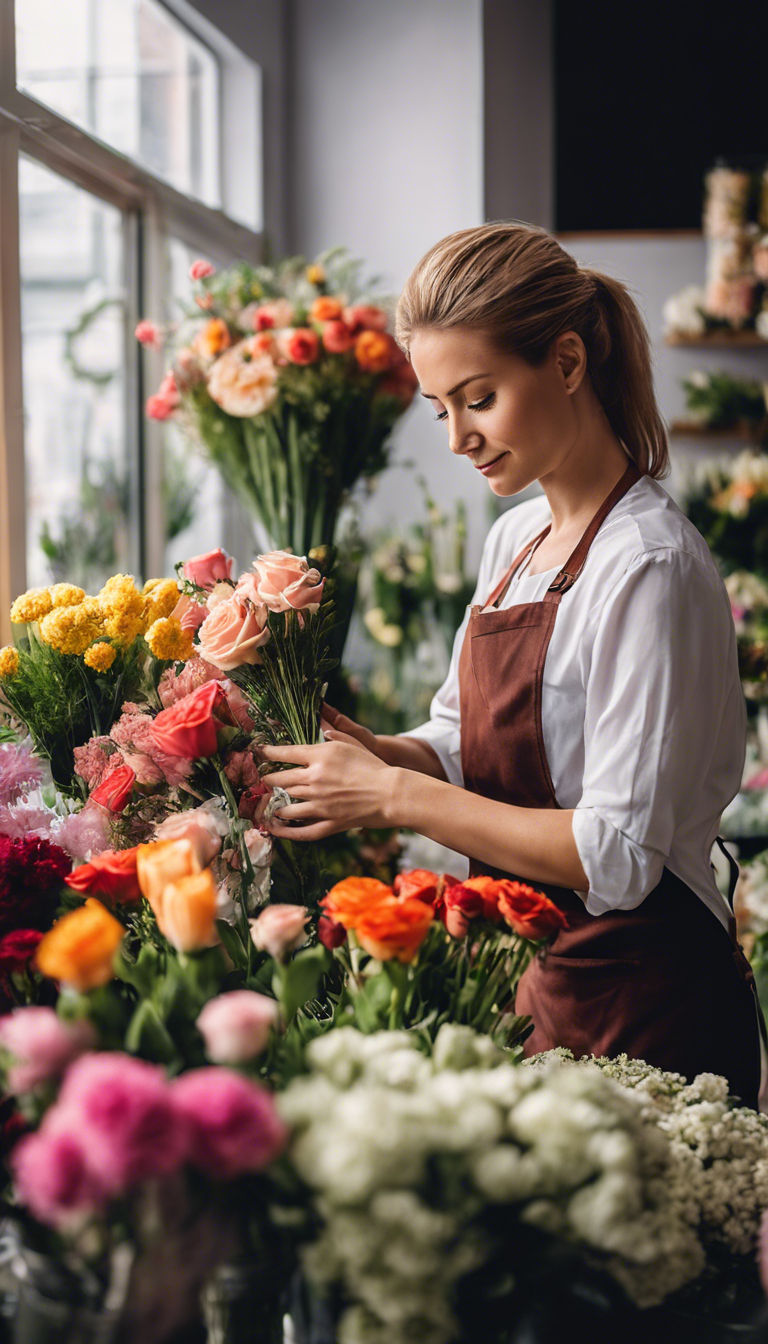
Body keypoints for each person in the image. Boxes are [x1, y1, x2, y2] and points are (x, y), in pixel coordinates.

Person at [261, 221, 762, 1107]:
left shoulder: (647, 564)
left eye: (479, 398)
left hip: (649, 999)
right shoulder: (516, 539)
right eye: (440, 408)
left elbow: (617, 854)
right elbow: (458, 742)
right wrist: (372, 752)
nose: (458, 438)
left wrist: (392, 796)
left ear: (567, 363)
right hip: (538, 978)